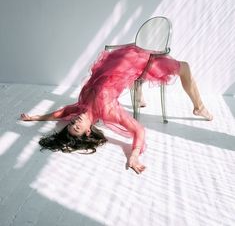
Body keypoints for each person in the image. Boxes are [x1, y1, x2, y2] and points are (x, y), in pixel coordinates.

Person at [20, 44, 213, 174]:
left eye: (72, 123)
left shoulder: (81, 106)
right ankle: (199, 107)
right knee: (185, 67)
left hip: (122, 61)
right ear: (88, 130)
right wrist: (134, 156)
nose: (75, 121)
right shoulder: (109, 111)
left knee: (137, 55)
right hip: (140, 65)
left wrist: (36, 117)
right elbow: (139, 130)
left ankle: (139, 98)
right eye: (77, 127)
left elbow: (61, 113)